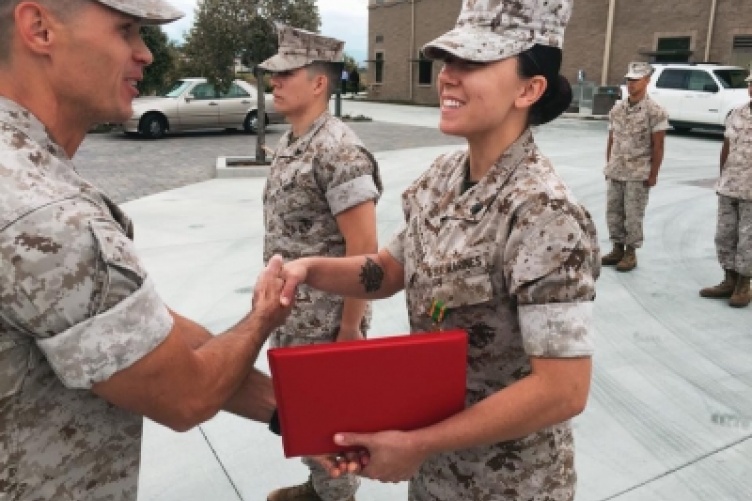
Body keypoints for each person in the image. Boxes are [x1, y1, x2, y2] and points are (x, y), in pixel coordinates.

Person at [279, 0, 600, 499]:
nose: (447, 76)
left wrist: (420, 443)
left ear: (529, 89)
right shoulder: (444, 178)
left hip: (508, 484)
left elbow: (563, 389)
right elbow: (388, 270)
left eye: (472, 63)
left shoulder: (544, 213)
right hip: (435, 475)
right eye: (448, 60)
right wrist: (307, 269)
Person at [0, 1, 293, 499]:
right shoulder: (46, 213)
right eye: (126, 30)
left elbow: (146, 332)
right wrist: (263, 316)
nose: (145, 55)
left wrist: (289, 411)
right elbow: (185, 394)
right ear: (39, 28)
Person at [258, 23, 382, 501]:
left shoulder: (339, 151)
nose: (276, 81)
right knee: (304, 416)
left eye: (287, 73)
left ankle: (335, 497)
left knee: (334, 425)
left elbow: (365, 252)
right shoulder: (295, 140)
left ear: (319, 83)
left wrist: (349, 330)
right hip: (295, 314)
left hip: (328, 321)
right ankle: (317, 487)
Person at [601, 61, 669, 272]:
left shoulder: (655, 111)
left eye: (636, 80)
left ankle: (631, 252)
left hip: (638, 172)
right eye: (629, 80)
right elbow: (612, 139)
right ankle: (617, 248)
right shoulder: (618, 109)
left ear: (647, 81)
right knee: (613, 212)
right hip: (617, 170)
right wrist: (609, 164)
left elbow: (658, 146)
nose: (631, 84)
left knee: (633, 214)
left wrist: (653, 174)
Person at [699, 74, 752, 307]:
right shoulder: (738, 112)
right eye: (751, 83)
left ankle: (744, 284)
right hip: (730, 185)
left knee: (748, 240)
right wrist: (722, 177)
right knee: (724, 235)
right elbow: (727, 146)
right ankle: (729, 279)